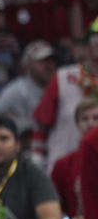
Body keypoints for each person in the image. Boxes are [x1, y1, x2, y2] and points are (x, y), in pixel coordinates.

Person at [34, 18, 98, 172]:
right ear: (87, 46)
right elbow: (41, 124)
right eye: (96, 40)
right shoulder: (63, 77)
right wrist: (36, 159)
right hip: (62, 170)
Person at [0, 40, 56, 137]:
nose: (48, 65)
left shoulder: (57, 87)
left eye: (51, 59)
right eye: (42, 60)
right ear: (27, 65)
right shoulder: (15, 92)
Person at [51, 99, 98, 219]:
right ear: (77, 124)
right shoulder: (63, 164)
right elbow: (53, 206)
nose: (90, 123)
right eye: (85, 119)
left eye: (96, 118)